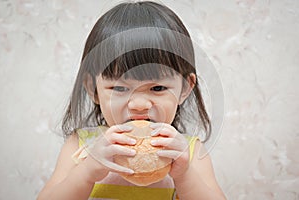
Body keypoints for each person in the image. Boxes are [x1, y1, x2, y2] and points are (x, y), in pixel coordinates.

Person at [37, 1, 226, 199]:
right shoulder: (81, 147)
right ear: (93, 89)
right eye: (119, 88)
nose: (139, 105)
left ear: (185, 89)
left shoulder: (188, 152)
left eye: (157, 88)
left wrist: (185, 175)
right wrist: (86, 173)